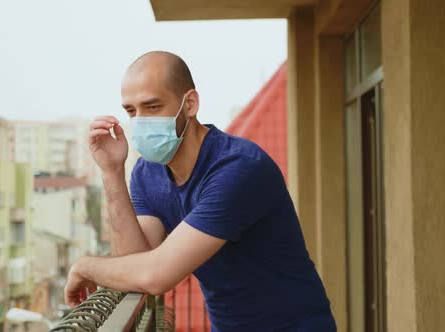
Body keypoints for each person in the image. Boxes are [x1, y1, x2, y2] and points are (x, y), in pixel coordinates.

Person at [64, 51, 336, 331]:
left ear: (190, 104)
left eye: (153, 107)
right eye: (132, 111)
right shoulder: (147, 173)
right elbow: (135, 260)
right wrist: (112, 173)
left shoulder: (238, 169)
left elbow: (156, 276)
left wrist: (85, 266)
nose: (141, 121)